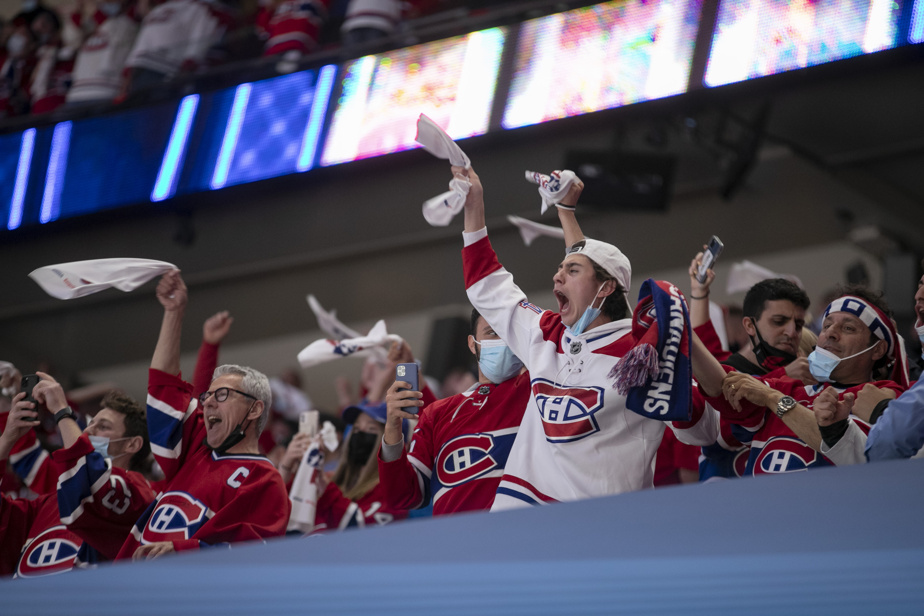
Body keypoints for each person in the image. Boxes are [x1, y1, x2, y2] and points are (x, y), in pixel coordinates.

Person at [455, 165, 717, 509]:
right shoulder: (545, 333)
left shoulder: (643, 353)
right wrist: (474, 204)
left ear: (606, 288)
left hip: (602, 533)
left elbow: (704, 433)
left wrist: (676, 377)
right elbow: (487, 286)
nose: (557, 276)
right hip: (521, 524)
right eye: (560, 269)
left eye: (572, 270)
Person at [117, 270, 289, 560]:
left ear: (255, 408)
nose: (208, 403)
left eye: (221, 395)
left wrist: (182, 550)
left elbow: (256, 557)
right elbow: (164, 385)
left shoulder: (264, 480)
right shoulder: (195, 447)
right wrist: (173, 312)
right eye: (207, 396)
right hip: (130, 594)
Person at [691, 286, 910, 475]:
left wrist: (773, 399)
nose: (830, 334)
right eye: (826, 325)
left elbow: (850, 451)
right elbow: (722, 386)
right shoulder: (789, 387)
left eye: (848, 328)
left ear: (878, 349)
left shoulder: (885, 397)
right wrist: (686, 339)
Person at [378, 309, 531, 515]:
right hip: (452, 543)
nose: (503, 340)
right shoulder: (437, 413)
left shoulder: (539, 390)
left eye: (510, 333)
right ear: (472, 343)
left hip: (524, 536)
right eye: (492, 333)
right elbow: (404, 496)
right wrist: (392, 429)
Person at [0, 376, 154, 577]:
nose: (88, 430)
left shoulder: (139, 494)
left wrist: (63, 412)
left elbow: (88, 483)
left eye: (103, 426)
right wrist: (6, 438)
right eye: (91, 423)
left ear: (132, 444)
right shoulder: (48, 502)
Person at [690, 262, 813, 480]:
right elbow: (701, 346)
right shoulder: (722, 373)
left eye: (800, 324)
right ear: (748, 326)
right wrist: (783, 377)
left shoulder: (807, 377)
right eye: (779, 321)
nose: (792, 331)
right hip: (724, 499)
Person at [312, 402, 408, 531]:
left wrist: (327, 491)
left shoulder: (393, 491)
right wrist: (287, 467)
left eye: (371, 429)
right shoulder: (331, 480)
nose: (360, 435)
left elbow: (364, 530)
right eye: (356, 429)